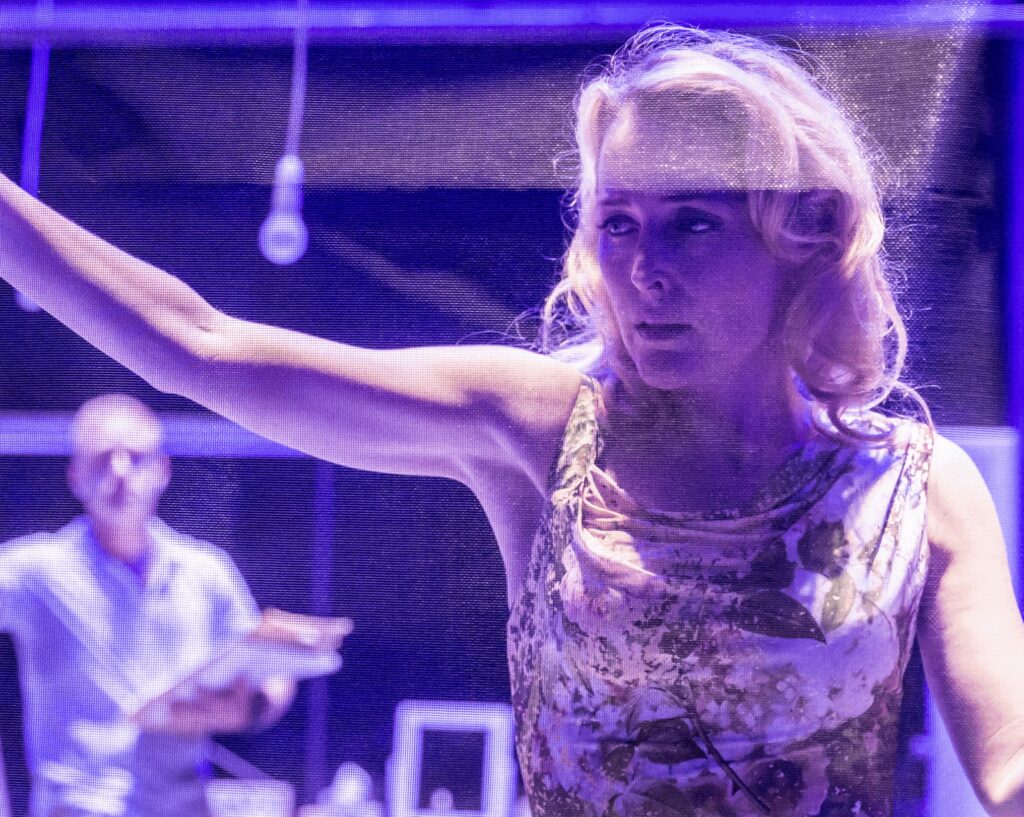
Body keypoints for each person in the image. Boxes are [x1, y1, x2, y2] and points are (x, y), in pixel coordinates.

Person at [0, 22, 1022, 817]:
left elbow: (1009, 767)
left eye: (692, 221)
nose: (643, 267)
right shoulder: (543, 428)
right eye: (617, 222)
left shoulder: (917, 486)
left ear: (802, 235)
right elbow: (202, 345)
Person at [0, 394, 296, 817]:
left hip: (184, 806)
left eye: (136, 457)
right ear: (75, 475)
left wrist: (250, 707)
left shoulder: (205, 571)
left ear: (163, 470)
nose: (120, 472)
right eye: (103, 459)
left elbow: (275, 673)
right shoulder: (38, 571)